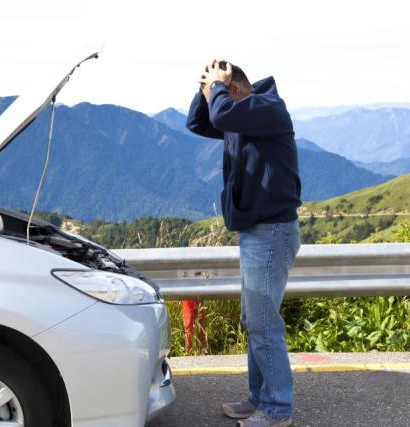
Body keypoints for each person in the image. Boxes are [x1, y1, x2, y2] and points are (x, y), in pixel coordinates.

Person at [186, 59, 302, 427]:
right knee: (255, 320)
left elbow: (220, 116)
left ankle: (277, 409)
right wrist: (204, 87)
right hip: (258, 230)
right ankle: (259, 398)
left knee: (264, 323)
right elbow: (199, 122)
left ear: (234, 89)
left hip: (271, 231)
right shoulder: (240, 116)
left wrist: (217, 88)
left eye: (219, 90)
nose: (214, 98)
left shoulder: (267, 108)